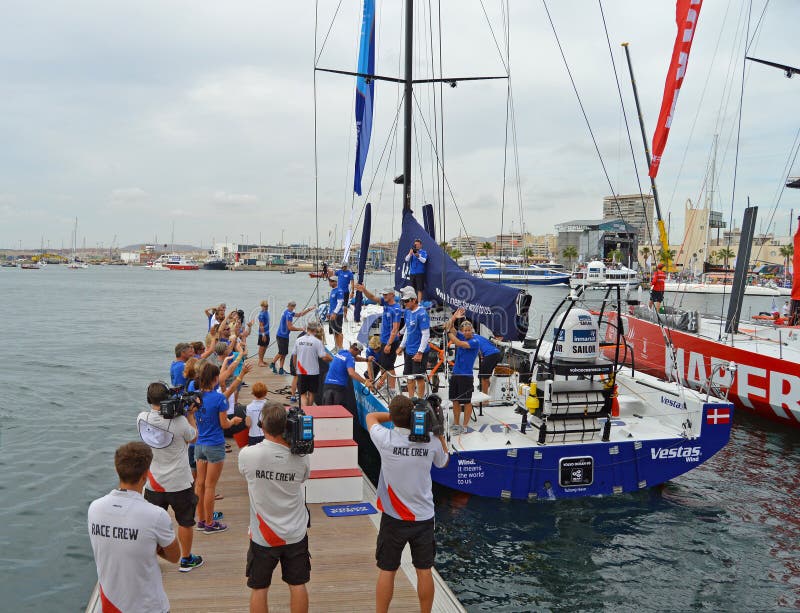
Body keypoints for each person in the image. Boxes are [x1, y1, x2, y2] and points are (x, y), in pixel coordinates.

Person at [366, 396, 449, 613]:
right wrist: (438, 432)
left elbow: (371, 416)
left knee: (387, 569)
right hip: (423, 518)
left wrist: (395, 416)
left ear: (393, 417)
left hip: (393, 517)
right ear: (414, 416)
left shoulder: (385, 438)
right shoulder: (430, 441)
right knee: (424, 570)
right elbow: (443, 462)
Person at [88, 442, 180, 613]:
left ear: (117, 470)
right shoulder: (156, 515)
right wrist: (151, 545)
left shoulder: (95, 508)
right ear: (146, 475)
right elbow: (175, 557)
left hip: (110, 605)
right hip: (149, 607)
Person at [238, 403, 313, 613]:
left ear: (262, 426)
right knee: (298, 585)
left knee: (259, 588)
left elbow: (245, 472)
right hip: (295, 533)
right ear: (287, 427)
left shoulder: (248, 455)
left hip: (264, 535)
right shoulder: (301, 458)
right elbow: (303, 478)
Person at [137, 382, 204, 572]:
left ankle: (151, 561)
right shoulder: (180, 422)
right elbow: (193, 438)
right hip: (180, 482)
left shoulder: (142, 418)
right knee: (185, 521)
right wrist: (190, 414)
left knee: (151, 524)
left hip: (153, 483)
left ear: (149, 400)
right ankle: (186, 559)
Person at [194, 362, 248, 533]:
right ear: (215, 378)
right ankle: (210, 523)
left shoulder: (195, 397)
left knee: (199, 484)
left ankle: (201, 520)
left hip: (199, 445)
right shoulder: (219, 399)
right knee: (210, 486)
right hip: (215, 445)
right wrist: (234, 421)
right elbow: (224, 425)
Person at [354, 284, 402, 392]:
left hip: (391, 342)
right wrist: (364, 290)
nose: (384, 296)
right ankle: (385, 384)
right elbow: (372, 297)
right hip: (383, 340)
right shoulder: (385, 303)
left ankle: (392, 389)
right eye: (383, 294)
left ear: (392, 295)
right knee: (383, 365)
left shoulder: (396, 309)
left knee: (389, 366)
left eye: (386, 294)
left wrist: (389, 344)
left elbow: (395, 329)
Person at [445, 308, 480, 434]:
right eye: (464, 330)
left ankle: (465, 425)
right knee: (455, 400)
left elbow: (458, 343)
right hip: (456, 374)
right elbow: (448, 327)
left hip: (466, 376)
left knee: (466, 402)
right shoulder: (460, 334)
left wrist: (449, 333)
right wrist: (454, 317)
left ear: (472, 330)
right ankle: (456, 424)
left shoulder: (475, 341)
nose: (466, 332)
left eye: (468, 330)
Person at [396, 286, 430, 398]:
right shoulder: (407, 312)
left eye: (406, 301)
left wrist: (420, 352)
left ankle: (420, 400)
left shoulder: (422, 314)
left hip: (418, 352)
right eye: (403, 301)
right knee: (409, 377)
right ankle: (411, 400)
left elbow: (426, 334)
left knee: (419, 378)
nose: (404, 303)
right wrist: (401, 346)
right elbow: (407, 331)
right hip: (409, 350)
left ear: (413, 300)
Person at [321, 342, 374, 406]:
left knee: (327, 411)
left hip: (327, 385)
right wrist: (365, 382)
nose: (358, 355)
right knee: (339, 413)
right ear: (356, 350)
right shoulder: (350, 358)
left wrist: (366, 360)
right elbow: (351, 373)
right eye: (358, 353)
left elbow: (354, 358)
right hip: (339, 388)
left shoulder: (341, 352)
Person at [292, 322, 332, 406]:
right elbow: (323, 357)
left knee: (302, 394)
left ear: (307, 329)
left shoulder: (298, 340)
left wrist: (295, 368)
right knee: (311, 393)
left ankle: (304, 412)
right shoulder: (317, 342)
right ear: (314, 330)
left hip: (302, 371)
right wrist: (333, 359)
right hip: (313, 372)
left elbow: (294, 356)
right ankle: (310, 411)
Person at [271, 301, 314, 375]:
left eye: (294, 307)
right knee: (281, 352)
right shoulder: (289, 315)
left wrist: (309, 309)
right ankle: (272, 363)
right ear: (289, 306)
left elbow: (300, 314)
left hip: (284, 335)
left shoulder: (288, 312)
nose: (293, 308)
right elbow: (290, 327)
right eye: (292, 306)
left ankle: (281, 369)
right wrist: (301, 329)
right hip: (281, 336)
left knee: (284, 353)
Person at [244, 381, 269, 445]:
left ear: (253, 393)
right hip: (266, 435)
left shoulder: (249, 407)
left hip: (253, 435)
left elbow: (248, 424)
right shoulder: (269, 406)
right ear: (266, 393)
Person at [404, 238, 428, 303]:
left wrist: (418, 256)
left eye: (417, 244)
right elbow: (406, 259)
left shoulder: (423, 252)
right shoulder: (412, 251)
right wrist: (410, 254)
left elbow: (424, 261)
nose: (416, 246)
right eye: (415, 244)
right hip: (412, 273)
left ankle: (419, 303)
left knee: (419, 289)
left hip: (420, 273)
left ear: (421, 245)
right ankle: (413, 302)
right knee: (412, 289)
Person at [327, 276, 346, 350]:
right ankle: (336, 346)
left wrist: (335, 313)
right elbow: (331, 303)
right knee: (334, 331)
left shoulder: (339, 291)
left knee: (339, 331)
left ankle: (340, 347)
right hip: (332, 314)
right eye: (329, 281)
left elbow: (340, 303)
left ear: (335, 282)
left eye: (331, 281)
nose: (330, 283)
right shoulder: (332, 291)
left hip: (338, 314)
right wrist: (329, 312)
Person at [257, 300, 271, 367]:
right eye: (265, 306)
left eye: (267, 306)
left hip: (267, 332)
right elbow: (261, 325)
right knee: (262, 347)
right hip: (262, 333)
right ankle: (260, 361)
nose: (266, 307)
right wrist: (263, 335)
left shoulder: (266, 312)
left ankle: (262, 360)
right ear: (262, 306)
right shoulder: (261, 314)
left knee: (265, 346)